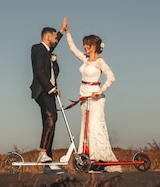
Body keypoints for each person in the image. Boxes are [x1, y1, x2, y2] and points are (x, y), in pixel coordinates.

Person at [65, 23, 122, 172]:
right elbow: (72, 49)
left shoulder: (100, 62)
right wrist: (67, 32)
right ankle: (88, 159)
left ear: (95, 46)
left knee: (95, 126)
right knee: (85, 128)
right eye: (84, 44)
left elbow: (111, 77)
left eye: (87, 45)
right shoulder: (85, 60)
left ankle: (101, 159)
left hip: (96, 98)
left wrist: (100, 90)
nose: (85, 47)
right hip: (84, 98)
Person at [30, 17, 67, 169]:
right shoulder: (38, 48)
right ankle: (42, 153)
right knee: (52, 116)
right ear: (48, 37)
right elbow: (39, 71)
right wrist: (51, 87)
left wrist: (61, 30)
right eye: (54, 37)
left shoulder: (48, 52)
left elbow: (52, 69)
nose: (56, 40)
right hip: (43, 90)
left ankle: (48, 161)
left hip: (50, 91)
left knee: (50, 121)